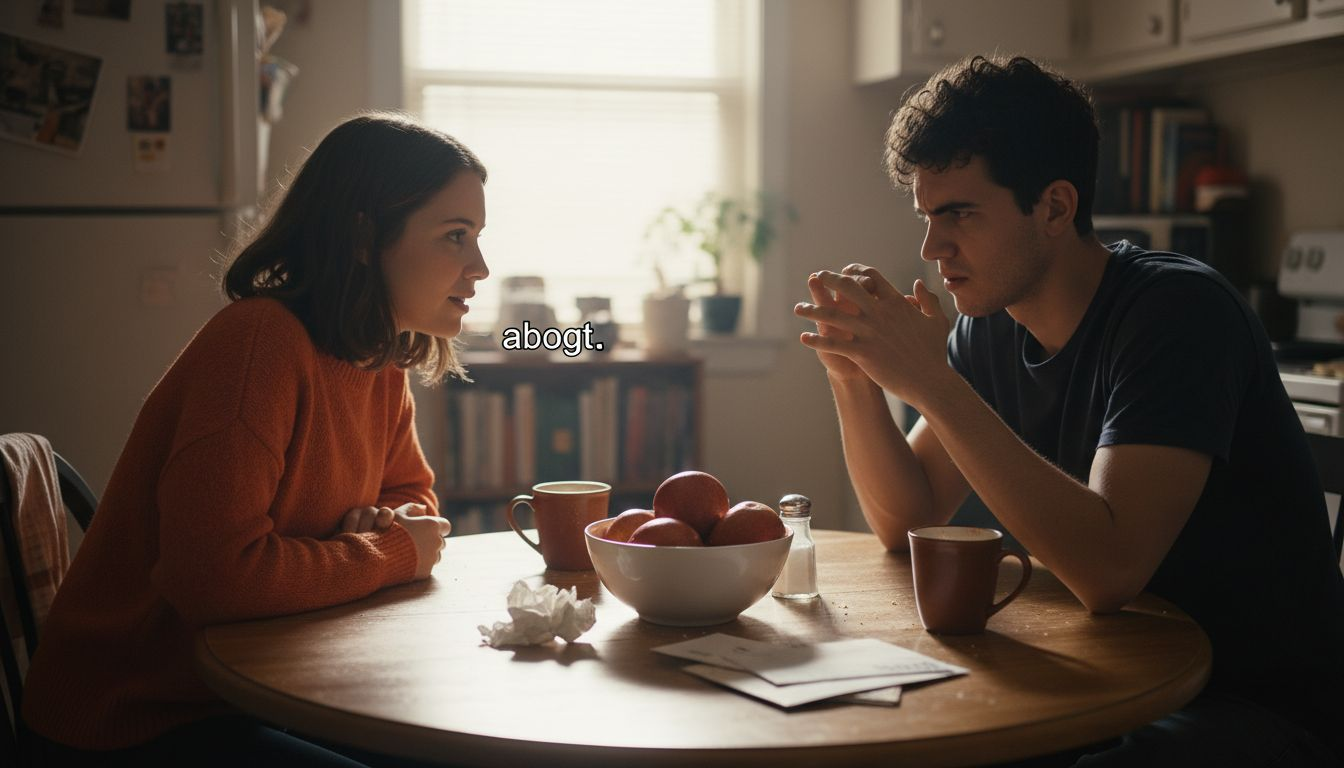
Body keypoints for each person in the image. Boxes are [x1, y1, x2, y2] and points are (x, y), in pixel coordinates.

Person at [795, 55, 1344, 766]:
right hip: (1105, 682)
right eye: (927, 217)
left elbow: (1109, 569)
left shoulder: (1177, 315)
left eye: (959, 213)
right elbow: (910, 519)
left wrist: (934, 383)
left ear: (1054, 206)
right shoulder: (991, 323)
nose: (934, 249)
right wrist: (854, 377)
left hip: (1252, 707)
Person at [22, 112, 486, 766]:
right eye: (455, 237)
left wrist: (383, 536)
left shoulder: (377, 359)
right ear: (362, 237)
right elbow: (213, 579)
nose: (481, 267)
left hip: (264, 689)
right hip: (132, 720)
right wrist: (380, 552)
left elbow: (417, 506)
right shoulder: (258, 344)